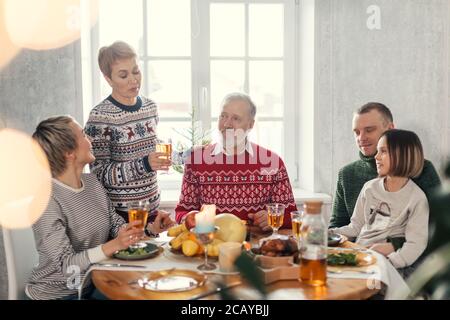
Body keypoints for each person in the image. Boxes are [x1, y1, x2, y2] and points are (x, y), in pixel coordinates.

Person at [26, 116, 174, 300]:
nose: (91, 139)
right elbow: (67, 265)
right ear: (68, 152)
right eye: (83, 135)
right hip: (56, 295)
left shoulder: (92, 182)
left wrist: (151, 230)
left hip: (93, 284)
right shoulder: (46, 199)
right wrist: (116, 244)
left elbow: (116, 226)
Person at [175, 93, 297, 231]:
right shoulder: (196, 161)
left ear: (250, 124)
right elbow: (182, 212)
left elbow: (291, 214)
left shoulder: (273, 162)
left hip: (257, 247)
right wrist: (190, 219)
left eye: (236, 118)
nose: (226, 124)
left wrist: (271, 218)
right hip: (211, 245)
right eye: (223, 116)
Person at [330, 102, 440, 250]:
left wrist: (395, 246)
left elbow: (440, 229)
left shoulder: (422, 169)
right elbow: (339, 226)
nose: (361, 138)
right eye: (356, 132)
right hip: (360, 258)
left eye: (369, 130)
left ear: (390, 129)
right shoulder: (347, 174)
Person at [84, 41, 171, 222]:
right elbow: (98, 174)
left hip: (152, 210)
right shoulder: (100, 117)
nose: (133, 80)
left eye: (136, 71)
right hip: (120, 216)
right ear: (108, 79)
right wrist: (144, 165)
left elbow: (149, 147)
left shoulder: (150, 107)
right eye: (123, 75)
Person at [330, 129, 429, 271]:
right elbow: (356, 227)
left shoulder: (417, 198)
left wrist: (390, 263)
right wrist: (328, 233)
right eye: (377, 151)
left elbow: (416, 243)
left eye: (383, 151)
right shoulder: (369, 187)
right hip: (360, 256)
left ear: (402, 156)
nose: (376, 157)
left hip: (389, 263)